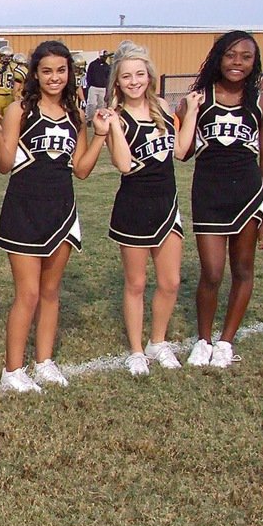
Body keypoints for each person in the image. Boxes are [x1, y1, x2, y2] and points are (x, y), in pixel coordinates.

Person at [0, 40, 110, 392]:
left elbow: (81, 169)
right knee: (26, 294)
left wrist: (100, 136)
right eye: (47, 71)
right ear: (35, 74)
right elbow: (2, 165)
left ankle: (44, 361)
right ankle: (12, 369)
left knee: (51, 291)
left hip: (62, 209)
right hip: (24, 208)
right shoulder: (20, 111)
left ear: (70, 73)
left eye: (61, 71)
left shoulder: (76, 114)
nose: (54, 77)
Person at [180, 31, 263, 368]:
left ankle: (225, 341)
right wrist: (188, 114)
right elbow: (184, 152)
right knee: (211, 272)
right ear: (218, 57)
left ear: (255, 62)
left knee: (243, 269)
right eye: (231, 55)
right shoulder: (197, 99)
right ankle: (203, 340)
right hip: (208, 193)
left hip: (248, 195)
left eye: (246, 57)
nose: (237, 63)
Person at [101, 43, 193, 375]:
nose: (135, 81)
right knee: (136, 283)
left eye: (140, 74)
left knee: (170, 281)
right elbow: (124, 164)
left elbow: (181, 151)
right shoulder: (116, 117)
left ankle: (158, 341)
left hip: (167, 205)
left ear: (150, 75)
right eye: (127, 76)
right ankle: (137, 350)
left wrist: (191, 111)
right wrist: (112, 124)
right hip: (134, 207)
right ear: (117, 82)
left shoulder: (164, 107)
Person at [85, 49, 111, 117]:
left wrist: (107, 89)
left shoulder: (107, 66)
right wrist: (89, 85)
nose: (105, 58)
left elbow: (108, 78)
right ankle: (89, 118)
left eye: (106, 57)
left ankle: (100, 118)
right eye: (104, 57)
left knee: (101, 105)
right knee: (92, 104)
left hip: (103, 88)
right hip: (93, 87)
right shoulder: (93, 64)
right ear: (100, 56)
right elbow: (88, 75)